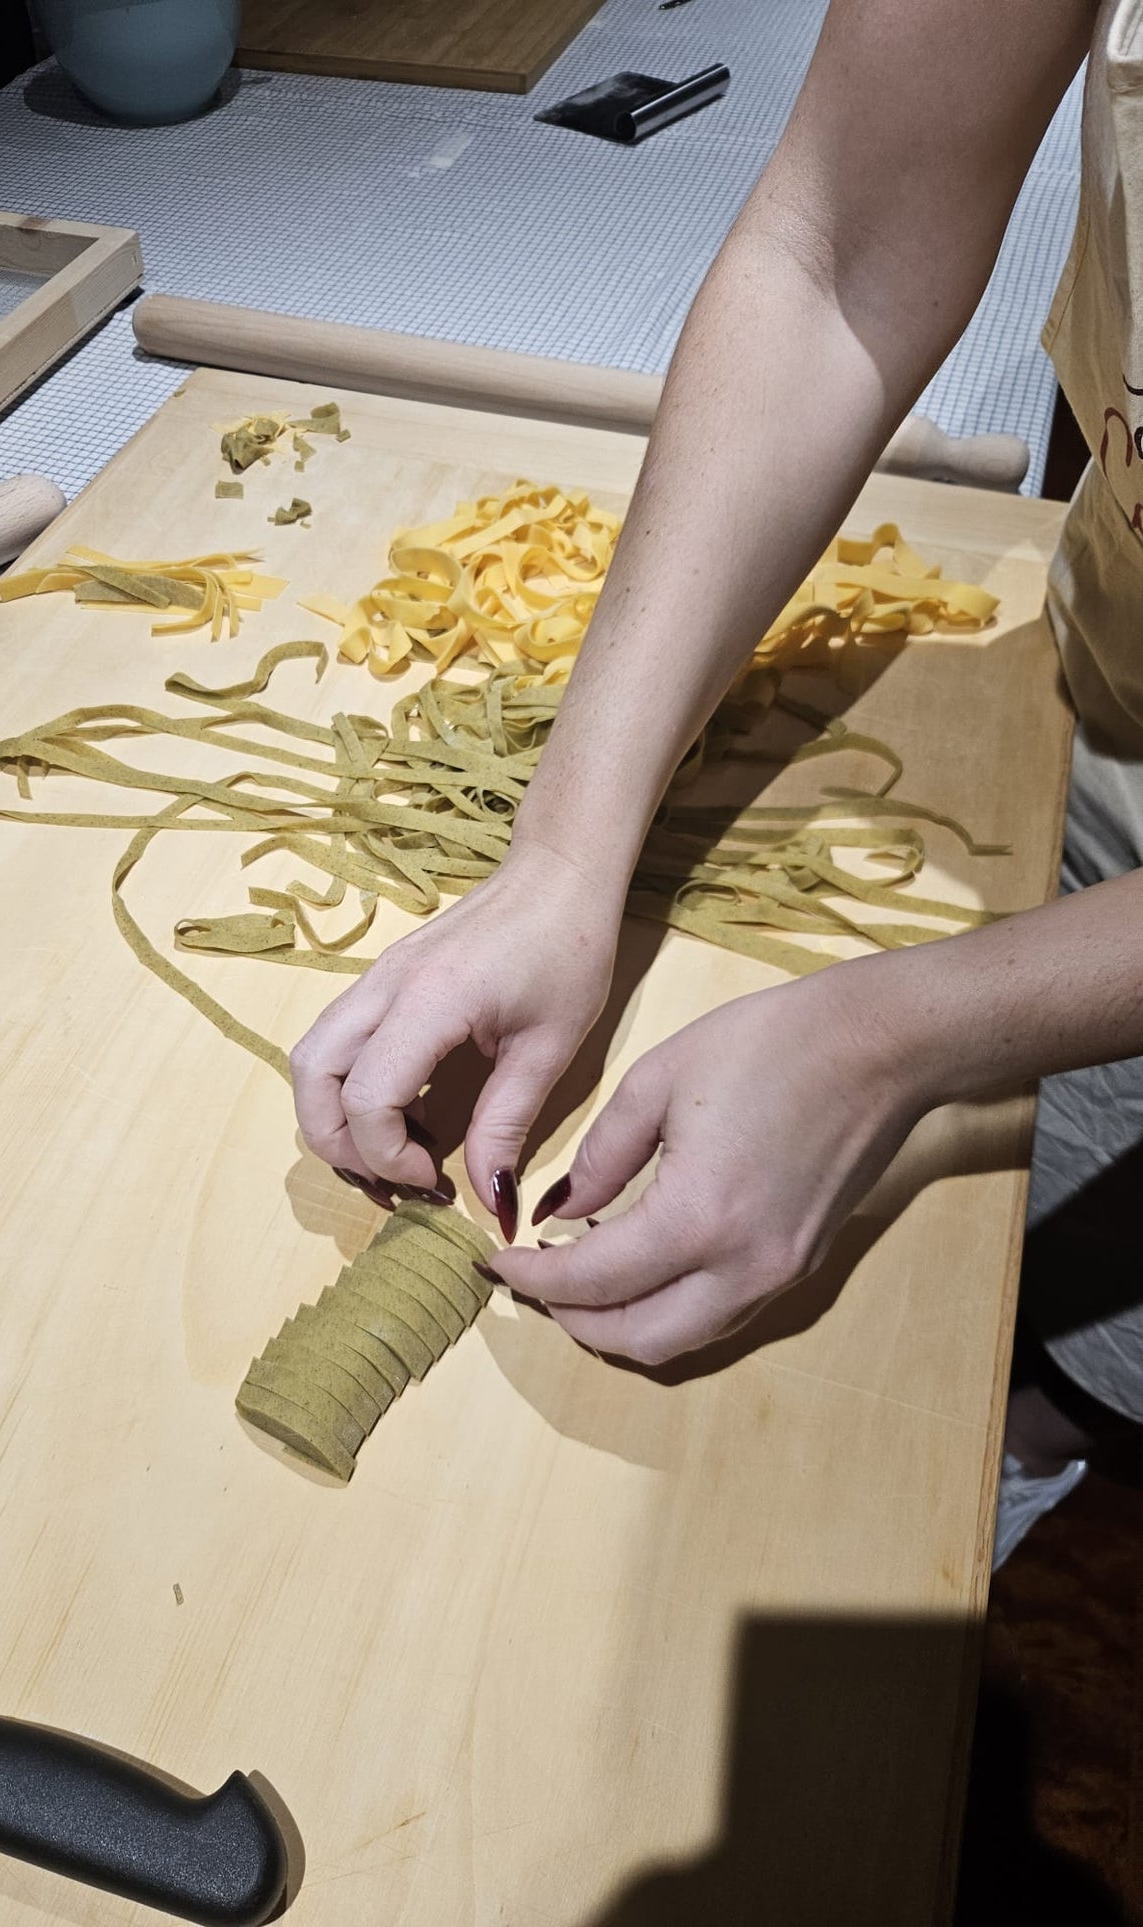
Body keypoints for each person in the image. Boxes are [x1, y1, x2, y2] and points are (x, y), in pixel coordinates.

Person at [291, 0, 1143, 1564]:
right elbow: (843, 247)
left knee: (1077, 1362)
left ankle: (1038, 1462)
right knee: (1012, 1246)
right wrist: (559, 856)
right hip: (1101, 690)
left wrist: (892, 1033)